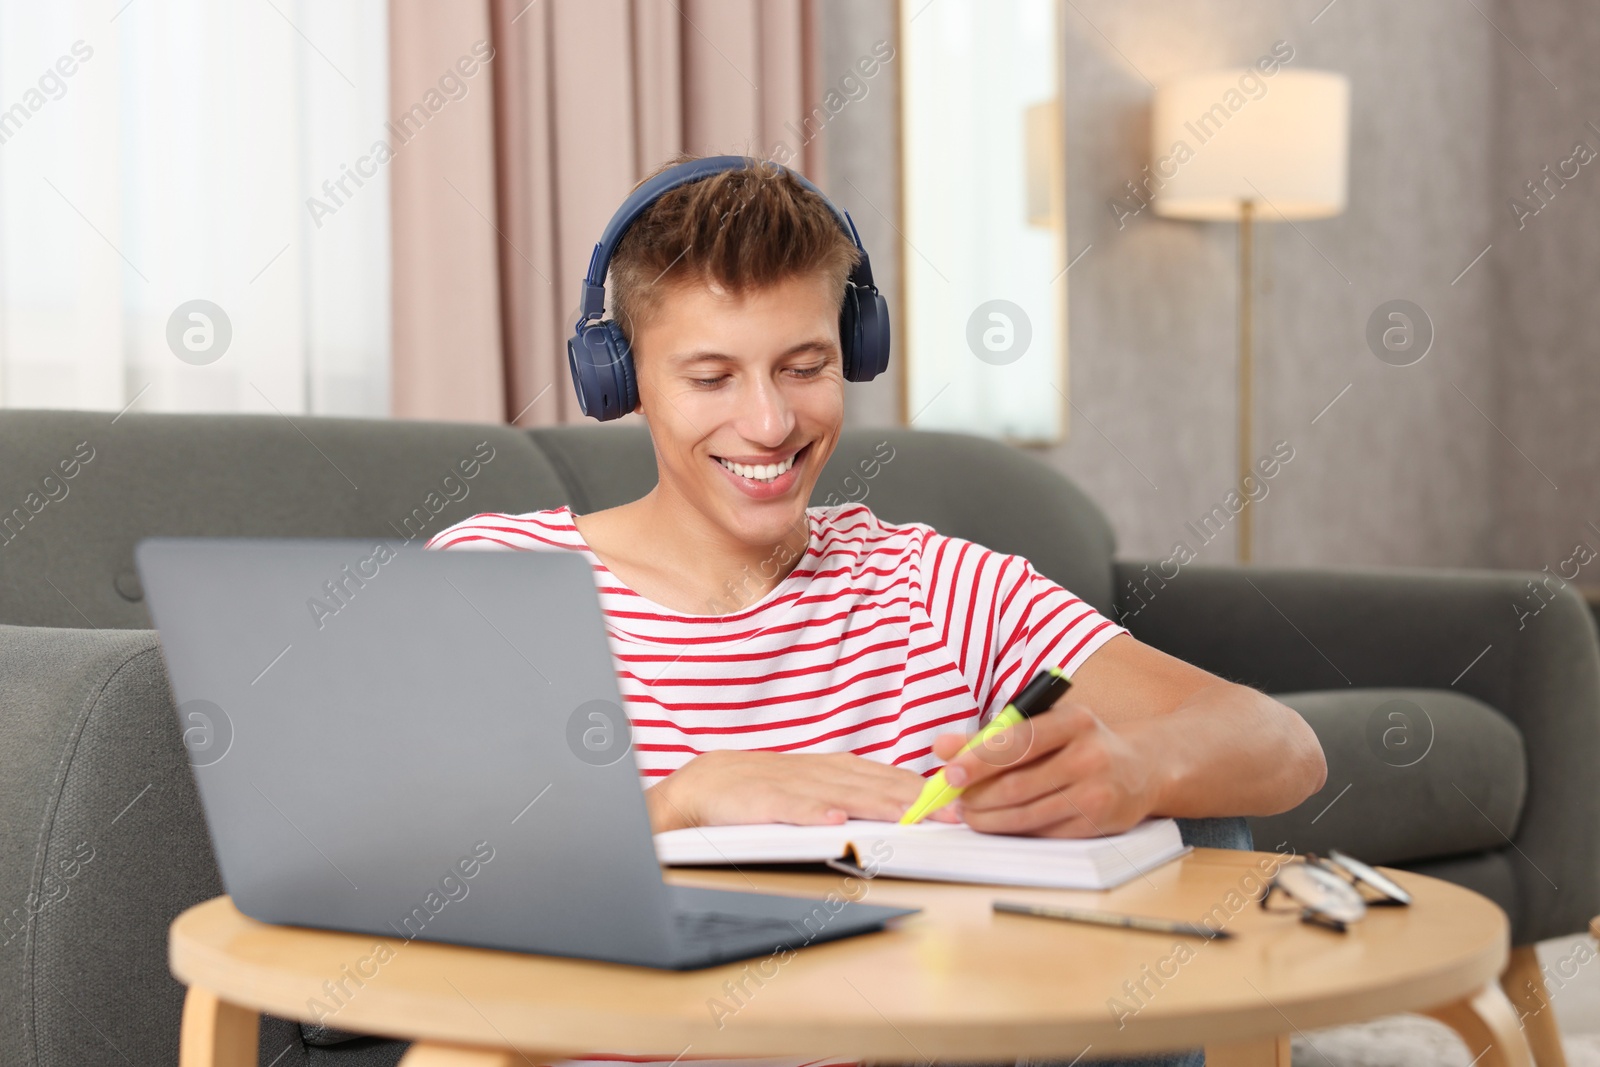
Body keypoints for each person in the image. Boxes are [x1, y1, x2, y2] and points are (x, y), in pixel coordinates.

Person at [426, 153, 1326, 1067]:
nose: (770, 422)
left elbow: (1283, 744)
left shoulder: (933, 585)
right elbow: (407, 884)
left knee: (1196, 834)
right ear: (620, 381)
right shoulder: (499, 578)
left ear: (852, 353)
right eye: (711, 378)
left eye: (804, 365)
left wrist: (1136, 768)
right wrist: (681, 803)